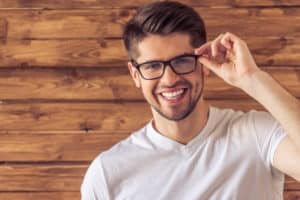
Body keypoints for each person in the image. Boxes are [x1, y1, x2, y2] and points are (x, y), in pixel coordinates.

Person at [81, 1, 300, 199]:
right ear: (135, 74)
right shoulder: (107, 173)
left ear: (203, 63)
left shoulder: (257, 135)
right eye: (152, 66)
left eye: (182, 61)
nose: (169, 79)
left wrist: (253, 78)